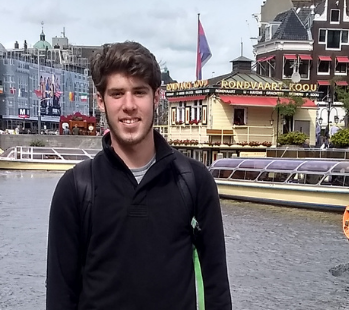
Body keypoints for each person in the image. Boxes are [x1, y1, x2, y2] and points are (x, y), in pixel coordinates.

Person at [45, 41, 232, 310]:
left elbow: (217, 288)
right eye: (117, 94)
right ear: (101, 101)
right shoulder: (76, 188)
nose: (129, 105)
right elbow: (60, 295)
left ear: (156, 97)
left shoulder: (194, 181)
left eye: (139, 92)